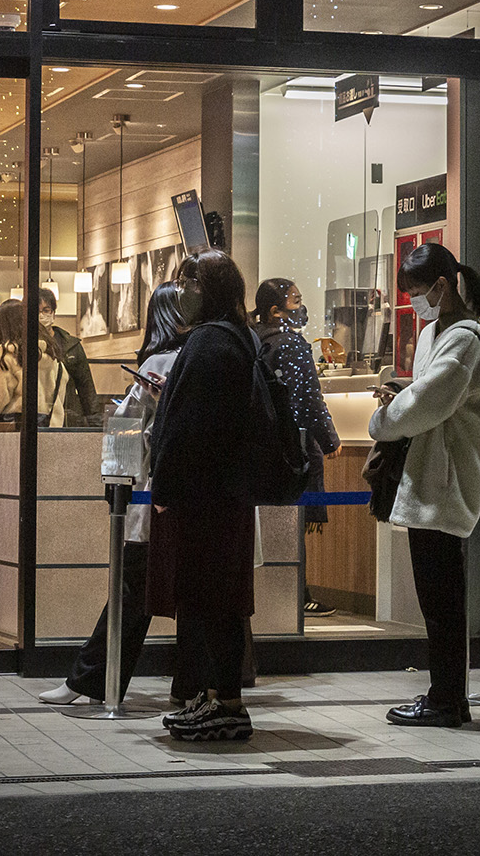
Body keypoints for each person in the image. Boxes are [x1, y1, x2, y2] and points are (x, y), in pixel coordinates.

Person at [37, 280, 190, 707]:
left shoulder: (161, 362)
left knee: (130, 594)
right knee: (196, 601)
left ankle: (90, 681)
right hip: (200, 501)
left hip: (156, 500)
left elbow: (126, 429)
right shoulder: (203, 357)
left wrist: (116, 485)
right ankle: (194, 687)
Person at [371, 243, 480, 728]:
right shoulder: (435, 333)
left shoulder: (463, 340)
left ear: (442, 286)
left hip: (445, 483)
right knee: (438, 601)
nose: (413, 302)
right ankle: (447, 696)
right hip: (430, 479)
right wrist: (402, 395)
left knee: (442, 602)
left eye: (417, 292)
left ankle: (446, 699)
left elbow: (429, 402)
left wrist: (384, 420)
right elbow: (426, 396)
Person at [148, 249, 265, 741]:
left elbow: (188, 426)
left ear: (207, 288)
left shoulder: (209, 341)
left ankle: (226, 704)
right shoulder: (236, 336)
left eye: (188, 281)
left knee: (209, 598)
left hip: (205, 496)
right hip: (226, 492)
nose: (181, 291)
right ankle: (216, 697)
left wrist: (165, 486)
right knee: (218, 598)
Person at [252, 277, 342, 619]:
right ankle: (297, 596)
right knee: (293, 522)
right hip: (292, 445)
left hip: (261, 446)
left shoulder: (253, 339)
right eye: (296, 301)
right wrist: (329, 438)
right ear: (276, 311)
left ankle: (279, 600)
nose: (302, 308)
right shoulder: (291, 343)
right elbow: (307, 398)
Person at [0, 298, 68, 425]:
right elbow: (60, 398)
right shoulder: (53, 357)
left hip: (15, 432)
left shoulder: (6, 356)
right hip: (50, 430)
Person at [38, 286, 101, 426]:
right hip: (36, 417)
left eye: (46, 310)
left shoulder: (71, 345)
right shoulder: (23, 345)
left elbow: (86, 387)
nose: (42, 315)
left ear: (53, 313)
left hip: (67, 417)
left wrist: (95, 422)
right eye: (37, 311)